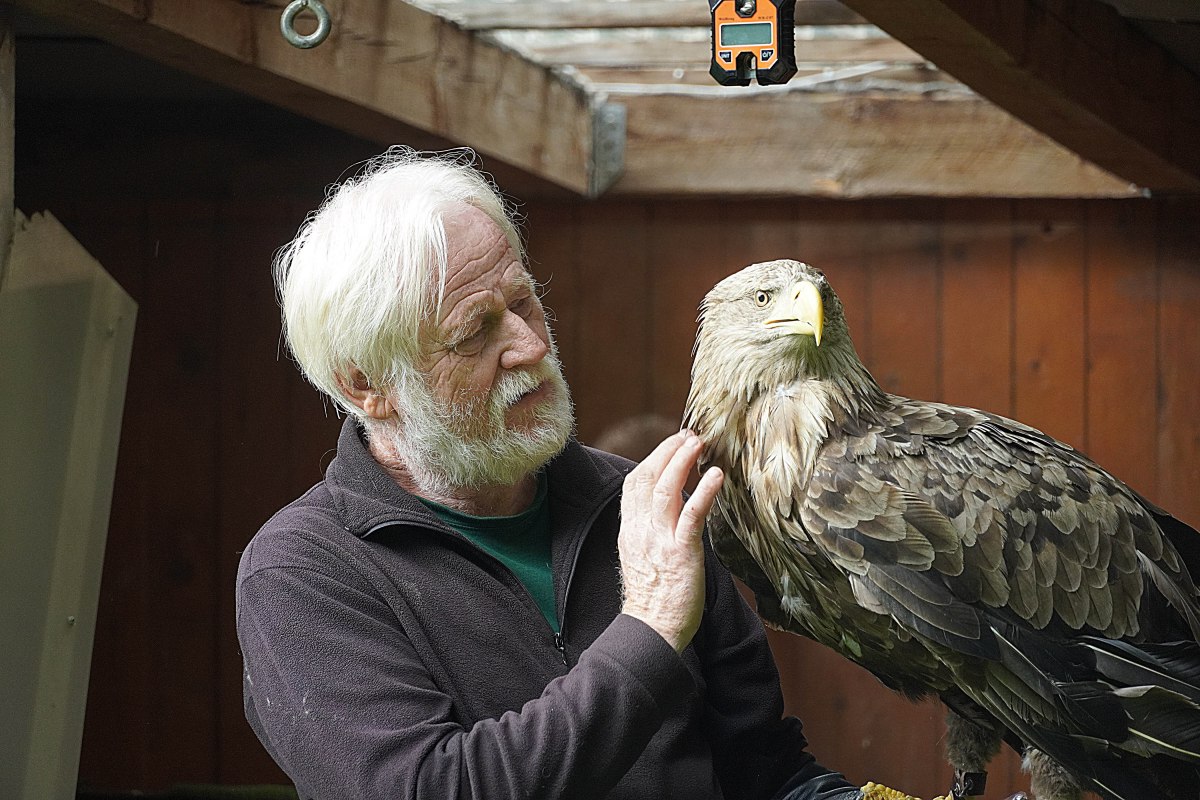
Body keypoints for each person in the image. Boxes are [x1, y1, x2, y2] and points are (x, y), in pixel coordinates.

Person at [235, 147, 861, 800]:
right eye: (475, 332)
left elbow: (763, 774)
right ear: (369, 385)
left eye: (523, 303)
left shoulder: (646, 509)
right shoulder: (306, 572)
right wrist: (648, 629)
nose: (532, 346)